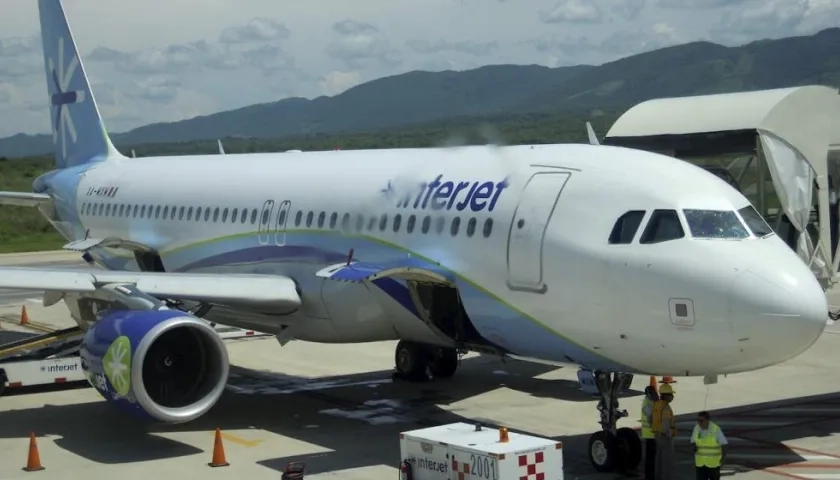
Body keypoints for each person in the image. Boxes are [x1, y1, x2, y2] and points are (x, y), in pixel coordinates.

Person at [691, 411, 727, 480]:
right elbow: (693, 441)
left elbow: (724, 444)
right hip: (700, 464)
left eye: (701, 421)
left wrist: (723, 459)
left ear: (707, 420)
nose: (699, 423)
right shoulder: (696, 428)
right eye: (698, 420)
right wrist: (693, 446)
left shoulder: (716, 429)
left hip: (713, 465)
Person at [651, 383, 676, 480]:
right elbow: (666, 423)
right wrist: (669, 435)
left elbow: (651, 419)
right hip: (665, 437)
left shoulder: (656, 404)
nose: (672, 397)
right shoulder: (665, 407)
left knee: (658, 461)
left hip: (657, 436)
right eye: (671, 394)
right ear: (666, 395)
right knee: (667, 463)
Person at [640, 386, 659, 480]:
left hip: (651, 435)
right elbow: (651, 418)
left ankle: (650, 476)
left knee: (651, 458)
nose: (656, 394)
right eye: (653, 393)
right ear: (649, 394)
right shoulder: (647, 404)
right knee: (650, 459)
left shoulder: (650, 402)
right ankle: (649, 477)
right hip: (650, 435)